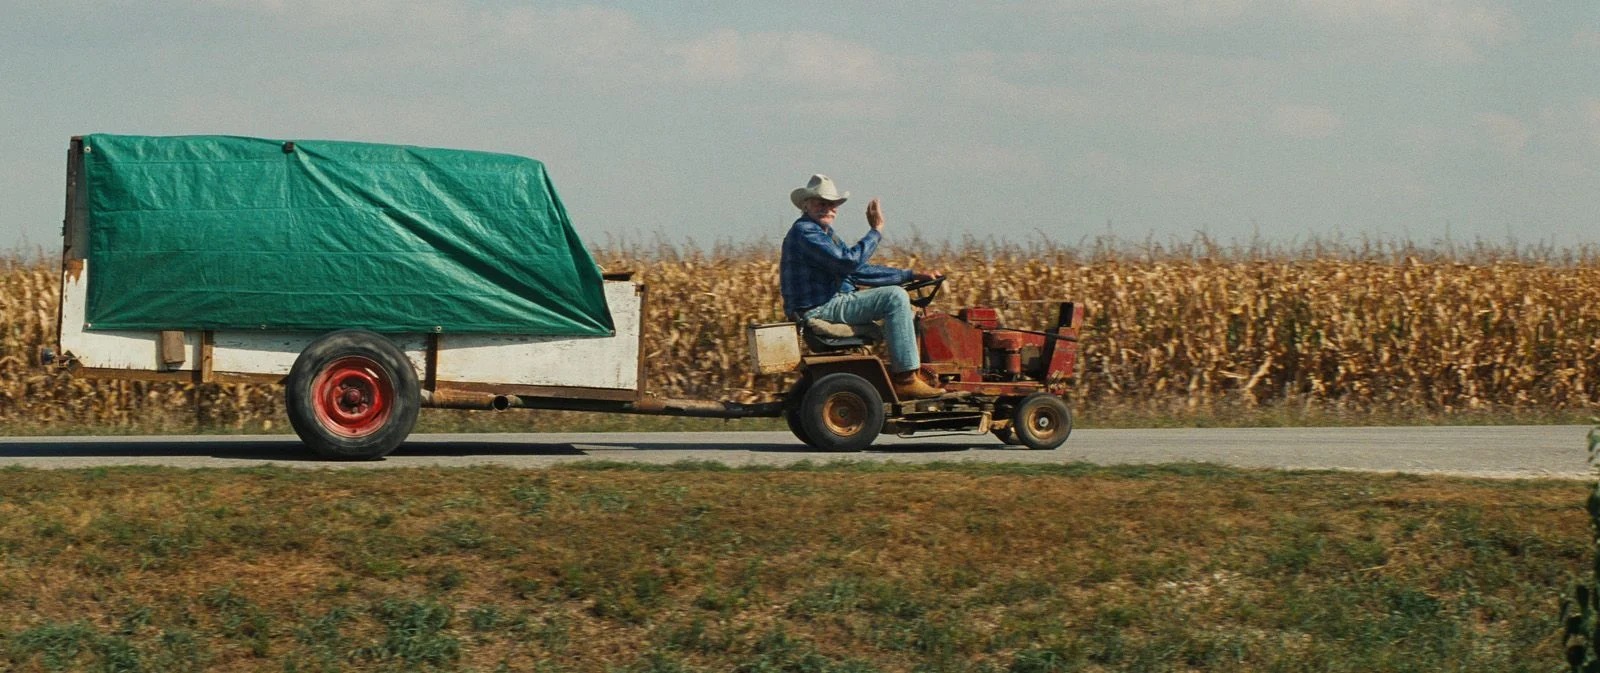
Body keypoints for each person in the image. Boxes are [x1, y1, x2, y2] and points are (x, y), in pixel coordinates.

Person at [779, 174, 945, 399]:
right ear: (806, 205)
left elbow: (857, 270)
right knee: (895, 298)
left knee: (902, 298)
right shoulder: (806, 232)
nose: (829, 208)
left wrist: (912, 275)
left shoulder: (824, 235)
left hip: (826, 303)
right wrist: (875, 231)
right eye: (821, 203)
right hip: (819, 308)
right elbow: (848, 261)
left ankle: (912, 370)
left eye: (832, 204)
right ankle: (906, 378)